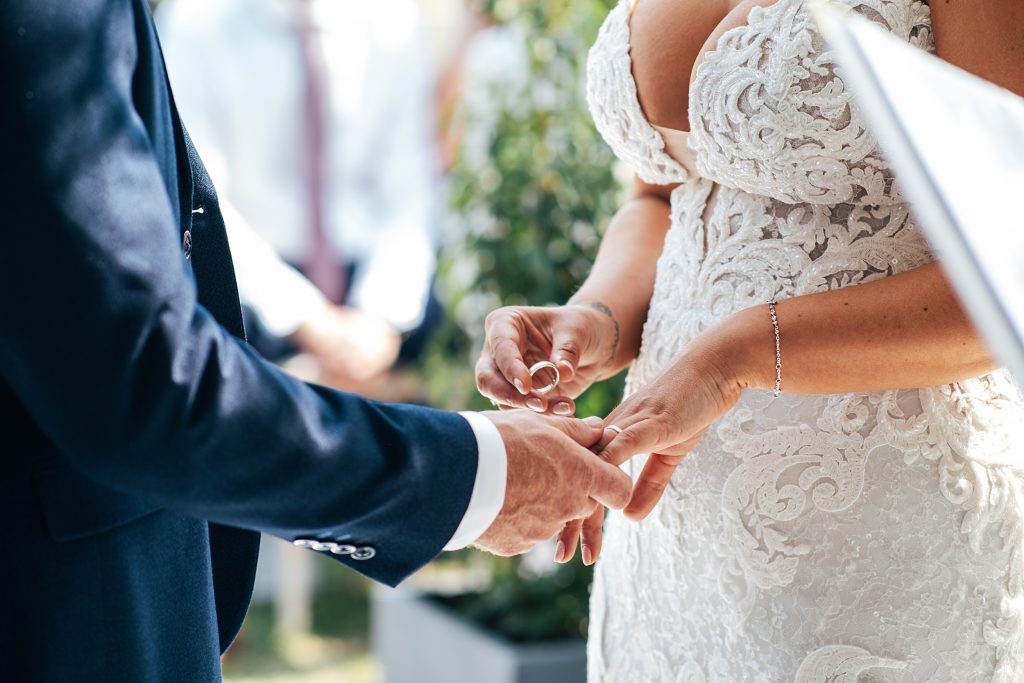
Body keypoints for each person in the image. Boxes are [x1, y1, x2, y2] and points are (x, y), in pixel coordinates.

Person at [0, 0, 632, 680]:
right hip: (65, 591)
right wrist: (474, 475)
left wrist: (381, 321)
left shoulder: (388, 27)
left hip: (359, 291)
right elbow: (143, 374)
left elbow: (408, 186)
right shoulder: (158, 21)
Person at [477, 0, 1024, 680]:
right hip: (669, 549)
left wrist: (733, 356)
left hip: (876, 535)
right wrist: (596, 319)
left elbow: (1009, 279)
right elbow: (667, 194)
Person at [155, 0, 443, 389]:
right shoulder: (194, 22)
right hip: (252, 283)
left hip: (364, 275)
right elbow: (204, 201)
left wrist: (382, 319)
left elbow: (410, 187)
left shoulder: (395, 21)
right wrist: (306, 320)